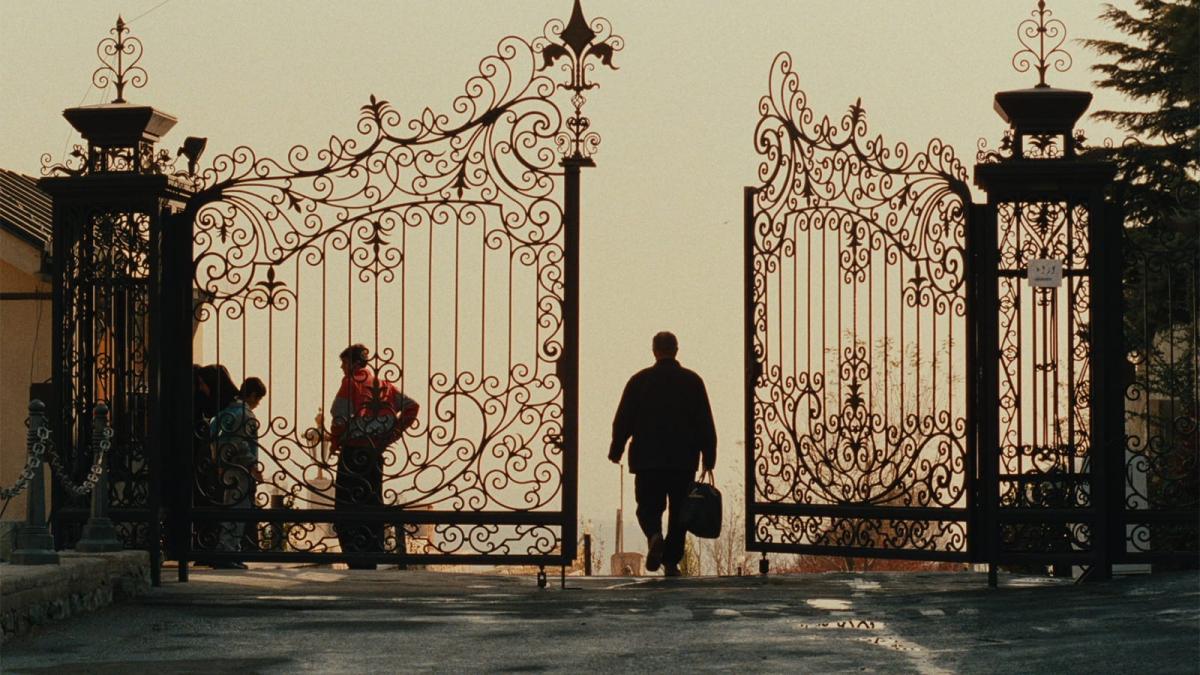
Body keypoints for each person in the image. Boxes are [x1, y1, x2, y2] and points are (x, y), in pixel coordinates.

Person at [609, 331, 716, 577]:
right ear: (676, 350)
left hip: (648, 461)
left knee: (648, 506)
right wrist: (709, 457)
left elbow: (623, 419)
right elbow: (705, 422)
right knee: (680, 513)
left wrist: (617, 448)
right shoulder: (692, 381)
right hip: (683, 460)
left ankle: (654, 536)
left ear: (654, 350)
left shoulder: (639, 381)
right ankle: (670, 562)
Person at [327, 343, 419, 569]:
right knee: (372, 501)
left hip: (353, 451)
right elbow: (412, 406)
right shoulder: (384, 385)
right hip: (375, 453)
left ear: (353, 363)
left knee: (347, 504)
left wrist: (335, 441)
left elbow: (339, 416)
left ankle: (353, 552)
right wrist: (392, 435)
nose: (342, 367)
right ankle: (372, 551)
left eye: (344, 363)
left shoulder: (350, 383)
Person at [210, 377, 267, 569]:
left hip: (226, 465)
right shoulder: (245, 414)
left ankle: (228, 551)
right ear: (252, 395)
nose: (258, 404)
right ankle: (227, 552)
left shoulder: (227, 412)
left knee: (231, 508)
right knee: (238, 510)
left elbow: (215, 437)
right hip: (240, 468)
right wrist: (252, 464)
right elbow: (242, 443)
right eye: (258, 399)